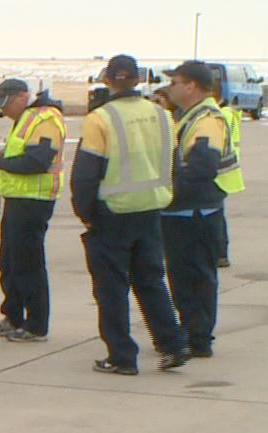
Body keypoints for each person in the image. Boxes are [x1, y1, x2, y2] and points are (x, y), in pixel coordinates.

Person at [72, 54, 190, 375]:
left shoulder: (100, 119)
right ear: (138, 79)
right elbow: (175, 164)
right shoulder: (163, 115)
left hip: (113, 211)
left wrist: (86, 213)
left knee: (111, 288)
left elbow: (85, 173)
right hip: (151, 208)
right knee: (151, 280)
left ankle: (122, 355)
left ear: (108, 80)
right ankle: (173, 344)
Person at [0, 78, 65, 341]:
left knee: (28, 264)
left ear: (21, 96)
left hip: (34, 200)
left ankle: (36, 324)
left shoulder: (46, 118)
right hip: (18, 198)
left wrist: (0, 161)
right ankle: (13, 316)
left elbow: (37, 160)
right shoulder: (27, 119)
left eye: (6, 105)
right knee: (10, 261)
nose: (4, 112)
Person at [162, 61, 236, 358]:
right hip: (190, 210)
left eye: (175, 82)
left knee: (193, 277)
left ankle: (197, 337)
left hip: (193, 212)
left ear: (191, 86)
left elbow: (201, 167)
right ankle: (194, 333)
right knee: (186, 277)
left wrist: (168, 194)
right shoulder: (190, 117)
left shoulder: (206, 120)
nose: (171, 88)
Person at [211, 76, 245, 268]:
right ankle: (221, 253)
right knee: (218, 214)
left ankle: (220, 253)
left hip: (220, 168)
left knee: (215, 216)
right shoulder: (229, 113)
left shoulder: (219, 115)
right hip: (229, 168)